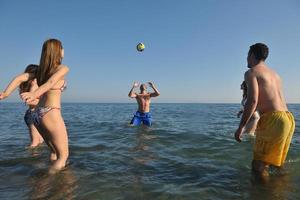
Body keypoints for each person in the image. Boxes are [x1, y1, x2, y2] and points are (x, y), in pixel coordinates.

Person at [234, 43, 295, 178]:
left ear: (252, 55)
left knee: (258, 166)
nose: (246, 59)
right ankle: (280, 191)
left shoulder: (252, 72)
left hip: (274, 120)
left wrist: (241, 127)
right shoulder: (275, 75)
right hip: (288, 118)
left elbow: (253, 100)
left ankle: (266, 195)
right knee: (276, 164)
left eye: (247, 56)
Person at [21, 39, 69, 173]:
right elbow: (51, 82)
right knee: (63, 156)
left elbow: (20, 78)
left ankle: (46, 184)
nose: (64, 50)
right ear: (57, 51)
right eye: (62, 47)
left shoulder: (41, 71)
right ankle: (47, 181)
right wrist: (35, 93)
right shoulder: (62, 68)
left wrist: (6, 93)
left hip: (37, 114)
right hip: (51, 111)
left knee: (54, 152)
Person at [0, 64, 44, 148]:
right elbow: (30, 102)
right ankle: (31, 158)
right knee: (35, 143)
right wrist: (45, 103)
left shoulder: (30, 85)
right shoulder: (34, 84)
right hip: (33, 114)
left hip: (33, 114)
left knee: (39, 141)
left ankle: (36, 159)